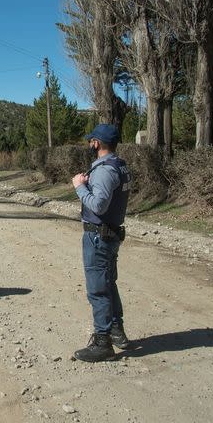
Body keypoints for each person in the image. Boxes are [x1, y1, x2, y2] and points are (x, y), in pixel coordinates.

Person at [71, 123, 132, 362]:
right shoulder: (119, 165)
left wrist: (79, 187)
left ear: (97, 143)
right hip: (110, 233)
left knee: (98, 289)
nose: (89, 144)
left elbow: (98, 205)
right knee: (109, 283)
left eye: (91, 141)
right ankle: (116, 330)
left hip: (99, 235)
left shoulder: (106, 170)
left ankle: (102, 341)